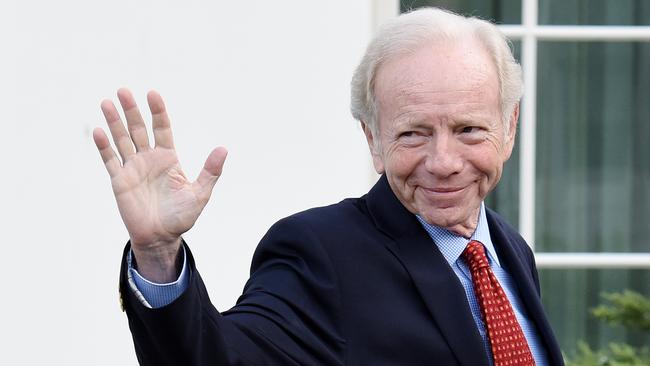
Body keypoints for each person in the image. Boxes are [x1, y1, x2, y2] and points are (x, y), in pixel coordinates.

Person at [94, 7, 563, 366]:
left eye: (468, 130)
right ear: (373, 140)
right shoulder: (321, 253)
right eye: (413, 133)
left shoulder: (507, 250)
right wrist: (157, 253)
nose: (443, 163)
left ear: (509, 127)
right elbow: (220, 357)